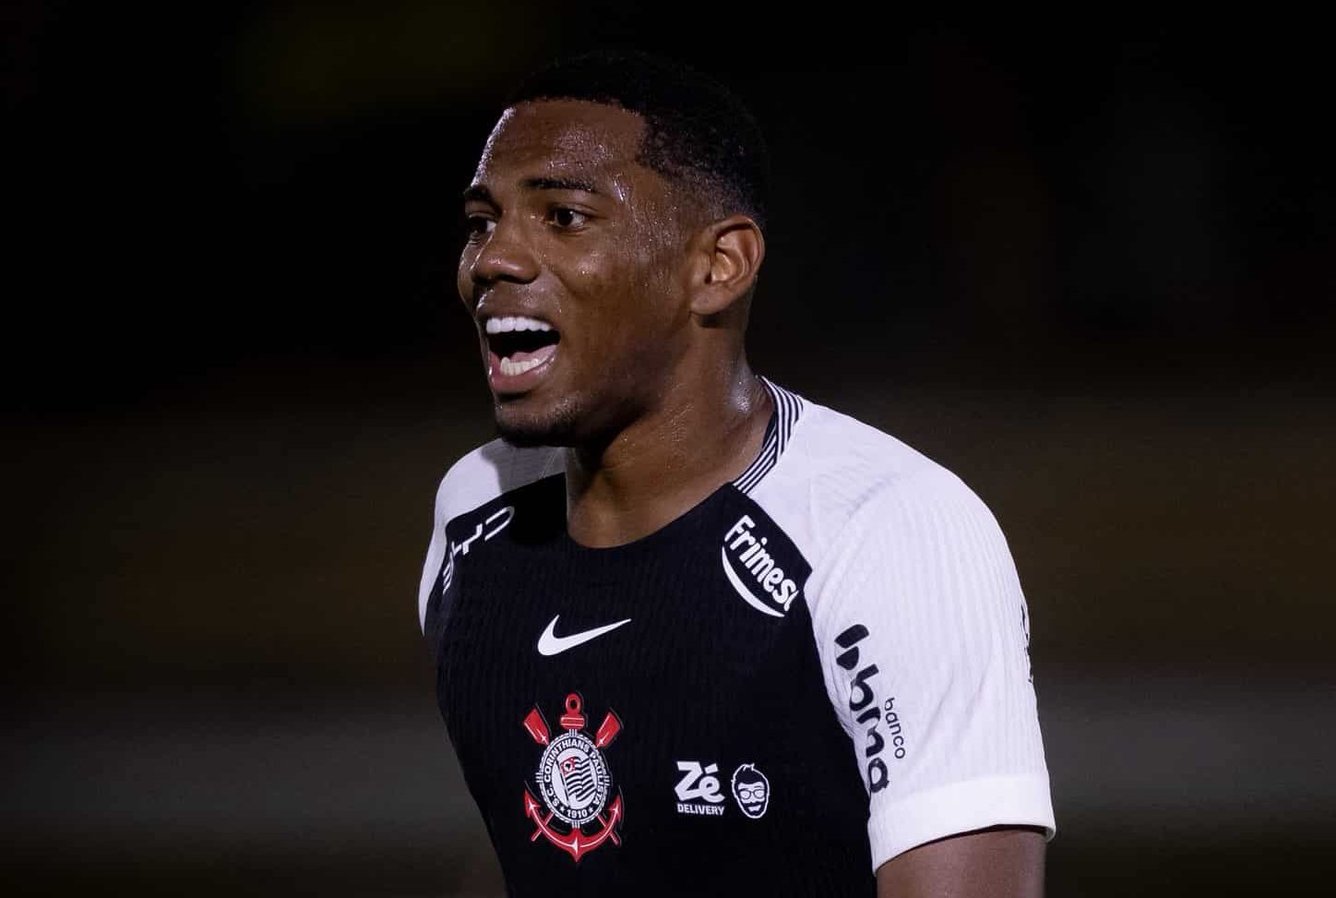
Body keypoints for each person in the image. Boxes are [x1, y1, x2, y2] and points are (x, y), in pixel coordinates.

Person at [418, 50, 1053, 897]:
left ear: (718, 266)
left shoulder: (890, 530)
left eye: (563, 217)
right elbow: (539, 845)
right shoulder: (476, 514)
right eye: (481, 221)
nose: (493, 259)